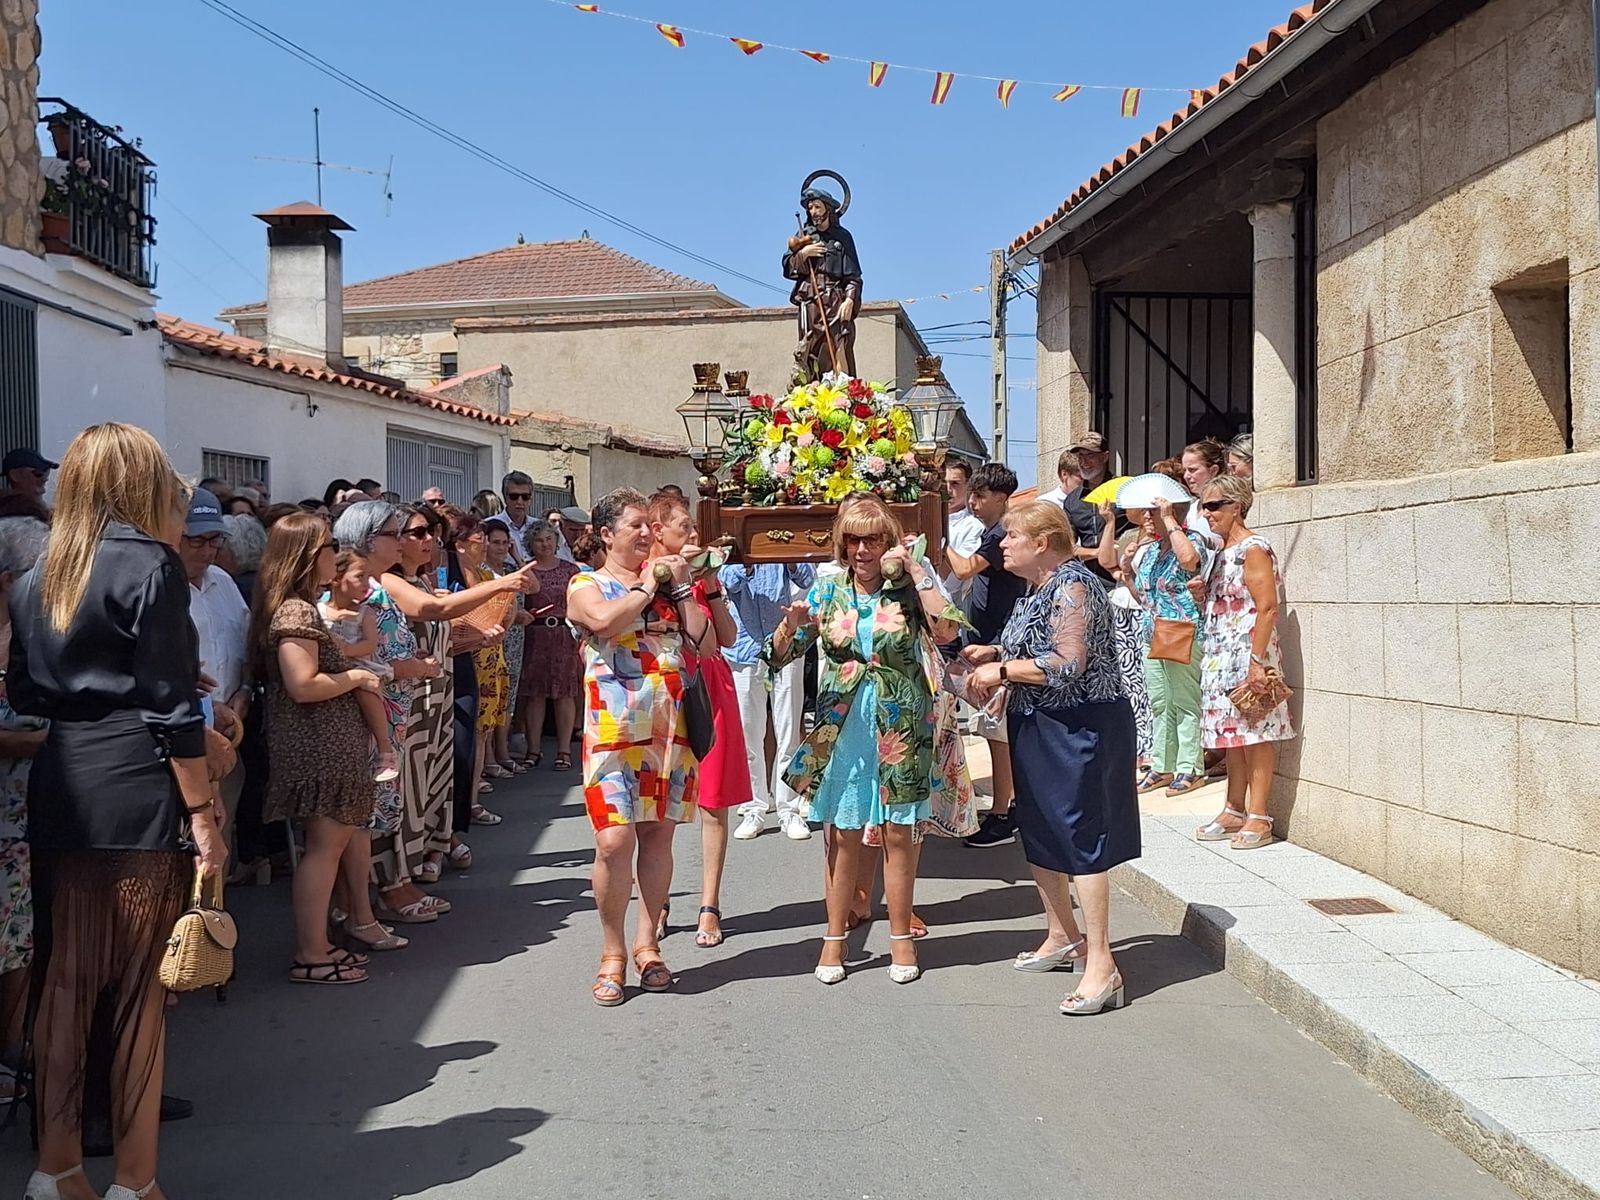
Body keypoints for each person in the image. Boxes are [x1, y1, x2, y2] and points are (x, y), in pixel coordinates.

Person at [11, 423, 225, 1200]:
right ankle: (136, 1182)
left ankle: (56, 1167)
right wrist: (204, 813)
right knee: (140, 993)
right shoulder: (149, 564)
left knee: (62, 986)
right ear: (140, 481)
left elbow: (26, 694)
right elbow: (171, 710)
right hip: (137, 785)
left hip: (64, 783)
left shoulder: (39, 572)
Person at [769, 495, 961, 986]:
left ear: (888, 542)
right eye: (852, 539)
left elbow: (946, 631)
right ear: (841, 543)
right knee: (845, 833)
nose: (861, 549)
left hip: (901, 722)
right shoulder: (828, 588)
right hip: (845, 723)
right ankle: (833, 939)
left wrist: (918, 572)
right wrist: (791, 624)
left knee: (899, 833)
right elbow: (782, 654)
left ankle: (900, 938)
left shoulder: (908, 588)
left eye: (872, 539)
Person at [959, 501, 1139, 1016]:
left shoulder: (1074, 585)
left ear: (1041, 543)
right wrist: (992, 653)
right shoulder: (1037, 589)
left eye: (1012, 535)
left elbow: (1068, 663)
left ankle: (1103, 964)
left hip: (1081, 725)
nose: (1002, 544)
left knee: (1081, 838)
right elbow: (1038, 642)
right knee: (1040, 829)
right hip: (1039, 723)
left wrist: (1005, 671)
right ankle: (1062, 934)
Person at [566, 488, 707, 1005]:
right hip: (612, 734)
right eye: (635, 526)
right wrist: (649, 588)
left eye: (650, 525)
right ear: (606, 535)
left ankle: (648, 946)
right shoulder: (587, 584)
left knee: (657, 839)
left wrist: (687, 588)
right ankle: (612, 951)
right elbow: (604, 622)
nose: (648, 534)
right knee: (612, 842)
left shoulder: (667, 583)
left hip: (667, 731)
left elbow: (704, 642)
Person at [248, 511, 387, 984]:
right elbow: (303, 684)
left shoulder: (296, 607)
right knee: (323, 850)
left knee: (328, 846)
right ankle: (311, 952)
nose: (336, 554)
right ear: (310, 556)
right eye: (328, 547)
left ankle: (320, 944)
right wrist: (356, 676)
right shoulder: (296, 611)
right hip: (317, 746)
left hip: (326, 743)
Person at [330, 503, 447, 924]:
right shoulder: (358, 591)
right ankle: (358, 906)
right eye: (393, 534)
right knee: (362, 817)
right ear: (366, 540)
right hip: (370, 712)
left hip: (394, 711)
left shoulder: (380, 585)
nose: (401, 542)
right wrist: (414, 667)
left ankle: (367, 902)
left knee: (381, 811)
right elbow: (360, 659)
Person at [646, 493, 749, 948]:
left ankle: (710, 904)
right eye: (683, 527)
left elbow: (724, 638)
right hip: (665, 691)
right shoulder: (646, 579)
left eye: (693, 528)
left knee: (713, 801)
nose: (693, 535)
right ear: (656, 531)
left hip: (711, 687)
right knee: (660, 806)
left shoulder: (703, 578)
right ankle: (659, 901)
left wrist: (709, 585)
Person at [1195, 476, 1294, 850]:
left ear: (1237, 506)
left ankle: (1259, 814)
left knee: (1256, 734)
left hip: (1249, 652)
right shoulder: (1223, 552)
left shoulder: (1254, 548)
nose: (1206, 514)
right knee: (1231, 737)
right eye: (1203, 506)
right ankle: (1233, 807)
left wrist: (1257, 661)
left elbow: (1267, 607)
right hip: (1221, 653)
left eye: (1213, 505)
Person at [945, 462, 1026, 849]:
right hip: (986, 639)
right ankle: (1007, 805)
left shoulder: (1000, 536)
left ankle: (1002, 811)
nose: (972, 503)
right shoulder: (990, 532)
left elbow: (962, 570)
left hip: (999, 641)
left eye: (980, 496)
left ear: (1001, 497)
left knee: (998, 731)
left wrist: (935, 537)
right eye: (971, 495)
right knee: (996, 728)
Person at [0, 517, 47, 1106]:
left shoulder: (33, 631)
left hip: (35, 814)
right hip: (6, 815)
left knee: (20, 947)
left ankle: (15, 1057)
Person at [1123, 489, 1208, 796]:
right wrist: (1128, 574)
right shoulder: (1152, 550)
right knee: (1160, 702)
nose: (1146, 516)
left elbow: (1189, 563)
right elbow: (1145, 597)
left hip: (1180, 628)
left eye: (1153, 510)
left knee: (1185, 700)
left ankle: (1190, 766)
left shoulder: (1190, 539)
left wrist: (1170, 518)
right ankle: (1162, 764)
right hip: (1153, 630)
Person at [726, 562, 815, 842]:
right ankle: (755, 806)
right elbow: (727, 581)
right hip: (745, 647)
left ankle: (789, 808)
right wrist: (747, 566)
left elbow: (807, 576)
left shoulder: (782, 538)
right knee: (749, 732)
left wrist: (791, 560)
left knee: (788, 728)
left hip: (785, 643)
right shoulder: (734, 541)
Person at [446, 512, 515, 825]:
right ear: (460, 545)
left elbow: (505, 613)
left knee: (480, 732)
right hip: (459, 659)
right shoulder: (446, 576)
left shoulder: (487, 576)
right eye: (479, 540)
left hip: (489, 657)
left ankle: (471, 800)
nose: (485, 545)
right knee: (459, 734)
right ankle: (454, 806)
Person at [317, 551, 405, 787]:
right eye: (360, 576)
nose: (367, 583)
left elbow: (369, 644)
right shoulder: (318, 610)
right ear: (336, 578)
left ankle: (385, 750)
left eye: (369, 576)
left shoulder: (365, 612)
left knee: (366, 689)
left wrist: (346, 649)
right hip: (329, 668)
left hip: (359, 663)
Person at [515, 520, 581, 772]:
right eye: (539, 540)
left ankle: (564, 750)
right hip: (535, 634)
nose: (545, 544)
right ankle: (533, 750)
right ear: (531, 544)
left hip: (564, 634)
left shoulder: (570, 570)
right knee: (535, 694)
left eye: (549, 539)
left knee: (565, 693)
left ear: (557, 541)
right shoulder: (524, 569)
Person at [783, 184, 862, 379]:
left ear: (827, 208)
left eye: (817, 207)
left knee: (838, 345)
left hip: (834, 300)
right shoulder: (804, 236)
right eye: (810, 208)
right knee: (810, 347)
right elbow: (787, 266)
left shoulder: (843, 237)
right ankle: (811, 391)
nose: (813, 212)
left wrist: (850, 300)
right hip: (811, 301)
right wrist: (802, 254)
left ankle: (842, 391)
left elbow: (853, 277)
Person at [483, 522, 534, 776]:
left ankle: (503, 752)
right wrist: (514, 617)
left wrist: (517, 556)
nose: (501, 547)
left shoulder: (511, 569)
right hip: (493, 640)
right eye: (496, 542)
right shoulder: (481, 572)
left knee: (507, 698)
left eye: (505, 542)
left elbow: (534, 585)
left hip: (515, 641)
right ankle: (490, 757)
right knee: (491, 699)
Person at [941, 460, 984, 619]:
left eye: (955, 483)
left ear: (968, 486)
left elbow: (953, 578)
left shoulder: (974, 527)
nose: (947, 489)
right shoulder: (920, 519)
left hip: (951, 612)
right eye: (943, 483)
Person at [485, 471, 537, 564]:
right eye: (514, 496)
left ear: (531, 499)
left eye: (525, 496)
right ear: (505, 497)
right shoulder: (488, 526)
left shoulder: (540, 527)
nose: (520, 502)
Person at [219, 513, 266, 605]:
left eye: (220, 546)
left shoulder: (236, 587)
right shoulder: (268, 580)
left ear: (236, 549)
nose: (212, 553)